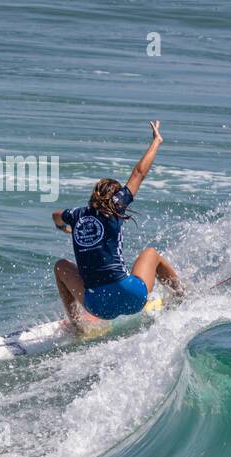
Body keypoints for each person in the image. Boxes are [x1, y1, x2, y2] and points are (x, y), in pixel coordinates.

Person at [51, 120, 183, 331]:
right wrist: (157, 141)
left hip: (98, 307)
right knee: (151, 254)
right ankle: (181, 296)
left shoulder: (76, 215)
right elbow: (139, 173)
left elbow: (56, 215)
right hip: (132, 296)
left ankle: (77, 327)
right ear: (115, 197)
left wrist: (65, 228)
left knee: (60, 266)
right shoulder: (116, 206)